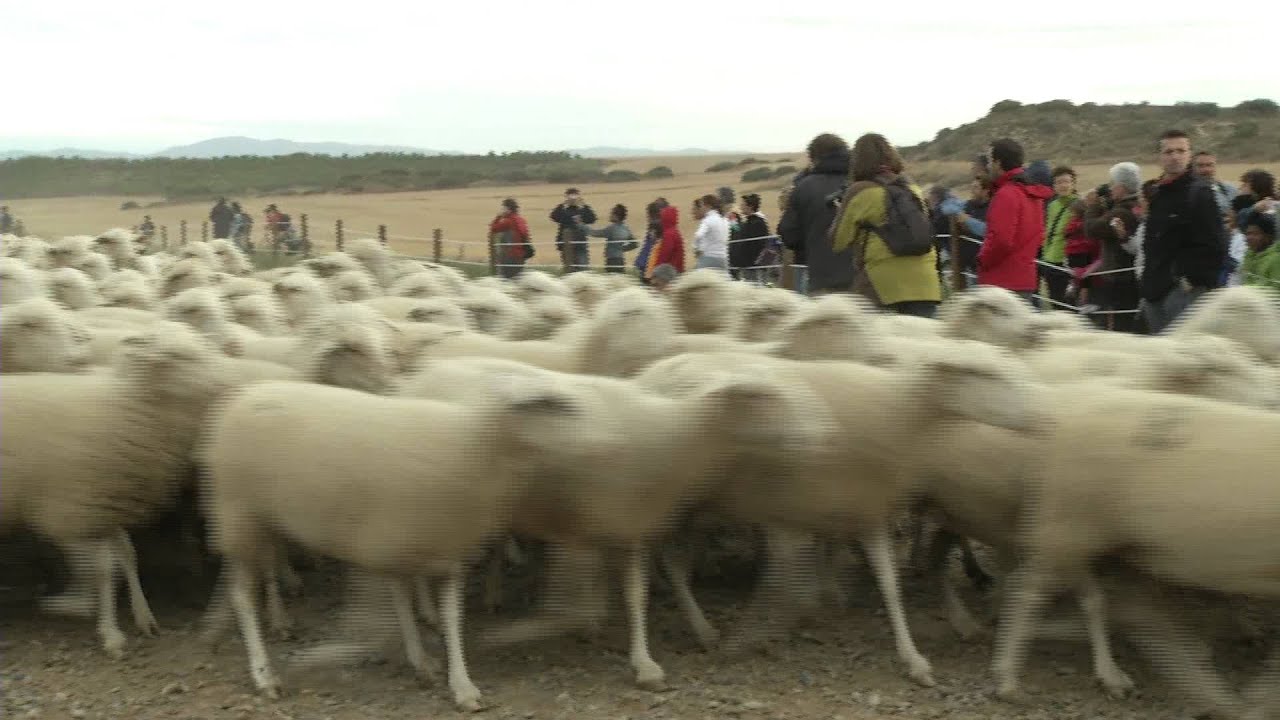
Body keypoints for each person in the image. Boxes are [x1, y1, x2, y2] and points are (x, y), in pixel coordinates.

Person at [829, 132, 941, 316]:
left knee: (878, 344)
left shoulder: (860, 191)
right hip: (925, 283)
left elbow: (838, 242)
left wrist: (840, 213)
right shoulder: (912, 188)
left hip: (882, 285)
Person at [1140, 129, 1229, 334]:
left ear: (1190, 155)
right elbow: (1152, 242)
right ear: (1159, 157)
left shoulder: (1199, 192)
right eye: (1169, 152)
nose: (1175, 157)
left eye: (1181, 150)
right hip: (1154, 289)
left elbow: (1216, 245)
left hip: (1184, 291)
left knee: (1186, 356)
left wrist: (1188, 280)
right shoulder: (1157, 193)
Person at [977, 138, 1054, 305]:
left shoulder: (1007, 194)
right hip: (1024, 279)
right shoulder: (1032, 194)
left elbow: (1001, 240)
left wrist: (982, 260)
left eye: (990, 161)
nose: (988, 166)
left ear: (998, 162)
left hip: (1001, 282)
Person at [779, 133, 853, 296]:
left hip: (823, 276)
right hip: (867, 278)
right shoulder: (862, 181)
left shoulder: (804, 187)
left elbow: (790, 235)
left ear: (814, 158)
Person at [1083, 162, 1144, 332]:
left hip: (1121, 277)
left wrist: (1093, 205)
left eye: (1112, 184)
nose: (1109, 188)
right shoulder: (1133, 206)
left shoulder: (1122, 213)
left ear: (1122, 187)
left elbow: (1091, 229)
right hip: (1125, 275)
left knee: (1121, 325)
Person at [1039, 166, 1078, 310]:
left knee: (1068, 304)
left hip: (1066, 260)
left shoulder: (1078, 204)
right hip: (1049, 259)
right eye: (1059, 182)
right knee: (1054, 301)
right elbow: (1048, 230)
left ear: (1073, 184)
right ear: (1054, 186)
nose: (1063, 185)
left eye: (1066, 181)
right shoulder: (1052, 205)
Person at [550, 188, 597, 273]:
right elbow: (554, 217)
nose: (573, 198)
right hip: (566, 242)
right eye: (570, 196)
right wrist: (564, 206)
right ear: (566, 197)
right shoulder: (563, 208)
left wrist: (583, 206)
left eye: (575, 196)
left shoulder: (582, 208)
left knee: (583, 267)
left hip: (580, 242)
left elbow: (592, 219)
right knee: (569, 269)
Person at [587, 203, 638, 274]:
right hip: (620, 260)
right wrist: (621, 249)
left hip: (612, 260)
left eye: (611, 214)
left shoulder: (612, 228)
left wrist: (582, 226)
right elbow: (634, 244)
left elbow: (595, 233)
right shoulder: (626, 229)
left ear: (616, 216)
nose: (610, 215)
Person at [731, 193, 771, 283]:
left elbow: (741, 236)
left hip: (754, 266)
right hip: (751, 265)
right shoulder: (752, 221)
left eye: (743, 205)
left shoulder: (756, 223)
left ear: (750, 206)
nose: (741, 207)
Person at [490, 198, 533, 279]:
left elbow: (493, 228)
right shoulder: (521, 220)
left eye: (503, 208)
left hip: (510, 255)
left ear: (508, 209)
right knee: (518, 279)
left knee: (506, 280)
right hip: (521, 255)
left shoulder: (508, 221)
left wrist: (498, 217)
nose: (502, 210)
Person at [1240, 210, 1280, 289]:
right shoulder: (1249, 255)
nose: (1249, 238)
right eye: (1248, 234)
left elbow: (1276, 292)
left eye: (1255, 234)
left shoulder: (1276, 259)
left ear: (1268, 237)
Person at [1191, 151, 1238, 216]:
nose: (1206, 169)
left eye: (1209, 165)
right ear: (1192, 168)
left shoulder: (1229, 189)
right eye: (1200, 165)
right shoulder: (1185, 191)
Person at [691, 194, 730, 273]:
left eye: (702, 206)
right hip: (723, 258)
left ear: (708, 206)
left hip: (708, 258)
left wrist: (697, 249)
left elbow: (698, 235)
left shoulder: (708, 220)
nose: (701, 208)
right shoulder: (724, 219)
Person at [646, 203, 685, 279]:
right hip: (676, 270)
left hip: (668, 273)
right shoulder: (675, 231)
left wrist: (655, 270)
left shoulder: (668, 234)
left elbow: (664, 254)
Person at [634, 199, 668, 284]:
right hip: (650, 262)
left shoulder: (654, 225)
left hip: (646, 262)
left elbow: (651, 243)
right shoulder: (661, 224)